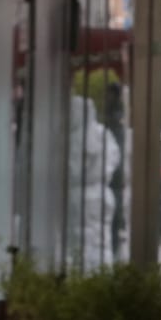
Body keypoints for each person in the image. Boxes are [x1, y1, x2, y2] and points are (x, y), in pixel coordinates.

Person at [68, 93, 122, 267]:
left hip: (82, 196)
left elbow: (73, 170)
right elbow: (115, 159)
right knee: (100, 242)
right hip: (103, 194)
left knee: (81, 243)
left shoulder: (77, 137)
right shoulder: (103, 134)